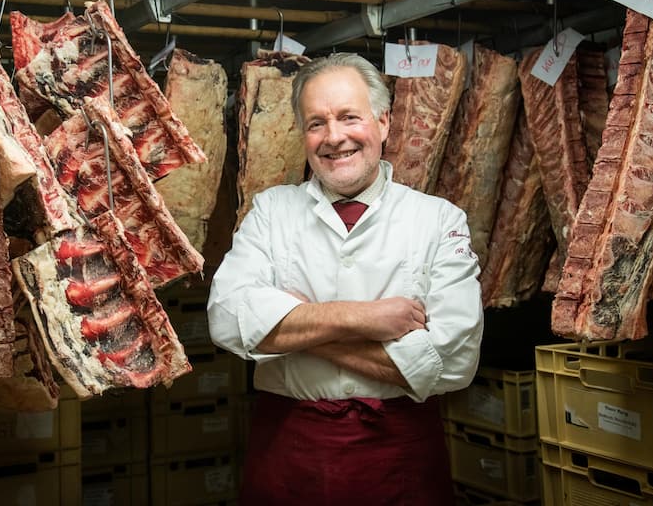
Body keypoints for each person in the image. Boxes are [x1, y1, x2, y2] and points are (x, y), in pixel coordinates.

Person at [207, 52, 483, 505]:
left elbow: (453, 360)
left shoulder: (438, 220)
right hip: (290, 451)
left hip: (401, 459)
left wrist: (297, 326)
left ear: (383, 123)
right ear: (302, 135)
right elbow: (227, 319)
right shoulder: (271, 211)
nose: (334, 137)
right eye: (317, 123)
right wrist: (365, 318)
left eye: (349, 118)